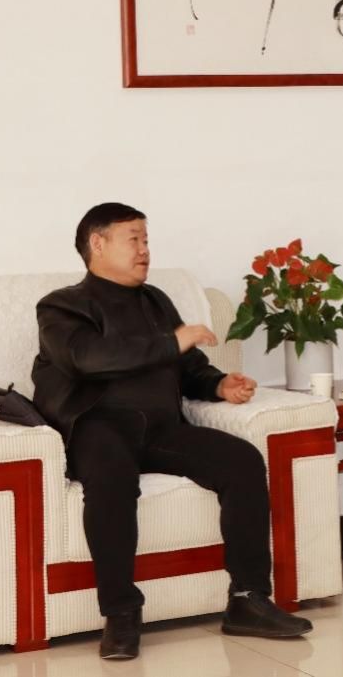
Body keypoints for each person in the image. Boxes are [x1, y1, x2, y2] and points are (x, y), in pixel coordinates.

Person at [32, 203, 312, 660]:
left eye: (146, 240)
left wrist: (218, 385)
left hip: (160, 428)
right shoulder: (62, 306)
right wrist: (173, 340)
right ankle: (121, 612)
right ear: (98, 244)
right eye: (133, 239)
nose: (145, 250)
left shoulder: (155, 301)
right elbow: (88, 359)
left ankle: (248, 600)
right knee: (112, 478)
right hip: (98, 425)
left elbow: (188, 367)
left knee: (242, 461)